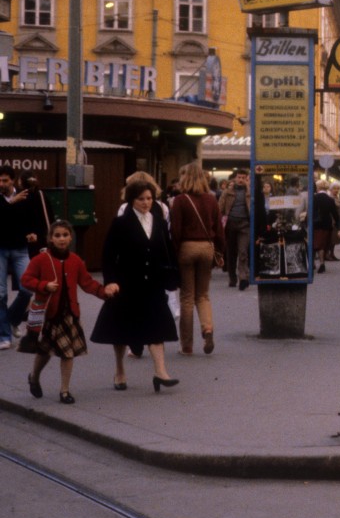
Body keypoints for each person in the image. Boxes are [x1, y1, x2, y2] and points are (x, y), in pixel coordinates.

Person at [90, 180, 180, 393]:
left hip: (153, 283)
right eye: (141, 199)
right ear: (131, 200)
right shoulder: (120, 223)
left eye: (149, 198)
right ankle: (120, 370)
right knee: (122, 330)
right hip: (127, 284)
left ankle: (160, 372)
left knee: (157, 327)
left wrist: (172, 276)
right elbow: (109, 255)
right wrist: (110, 281)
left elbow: (167, 249)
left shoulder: (157, 220)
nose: (146, 203)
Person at [21, 220, 118, 403]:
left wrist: (104, 291)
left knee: (68, 352)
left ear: (70, 237)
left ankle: (64, 391)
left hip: (69, 314)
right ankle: (34, 377)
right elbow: (26, 279)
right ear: (50, 238)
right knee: (44, 351)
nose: (62, 239)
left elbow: (87, 283)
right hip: (49, 314)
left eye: (65, 235)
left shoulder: (75, 260)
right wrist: (43, 285)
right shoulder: (41, 260)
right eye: (57, 235)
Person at [170, 162, 224, 356]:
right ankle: (207, 329)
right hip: (207, 248)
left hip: (187, 247)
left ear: (185, 178)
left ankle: (187, 345)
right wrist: (220, 251)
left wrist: (174, 253)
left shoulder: (180, 200)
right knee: (203, 295)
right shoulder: (211, 200)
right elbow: (218, 229)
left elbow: (175, 230)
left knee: (186, 297)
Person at [0, 165, 36, 350]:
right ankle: (4, 336)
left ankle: (13, 318)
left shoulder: (24, 196)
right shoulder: (7, 199)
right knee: (1, 294)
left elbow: (30, 218)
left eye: (5, 180)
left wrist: (31, 232)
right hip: (0, 248)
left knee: (28, 288)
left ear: (12, 180)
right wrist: (10, 203)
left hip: (20, 248)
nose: (2, 184)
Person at [219, 168, 252, 290]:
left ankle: (243, 277)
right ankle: (232, 277)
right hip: (231, 224)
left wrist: (248, 189)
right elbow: (220, 209)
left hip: (245, 225)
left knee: (243, 251)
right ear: (235, 178)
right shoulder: (227, 192)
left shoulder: (250, 193)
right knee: (231, 253)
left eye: (243, 178)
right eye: (239, 177)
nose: (241, 180)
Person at [313, 180, 340, 273]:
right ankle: (322, 262)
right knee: (323, 244)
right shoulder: (330, 200)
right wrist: (338, 225)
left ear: (318, 187)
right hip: (327, 225)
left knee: (315, 243)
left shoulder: (314, 198)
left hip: (315, 224)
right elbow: (335, 214)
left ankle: (315, 264)